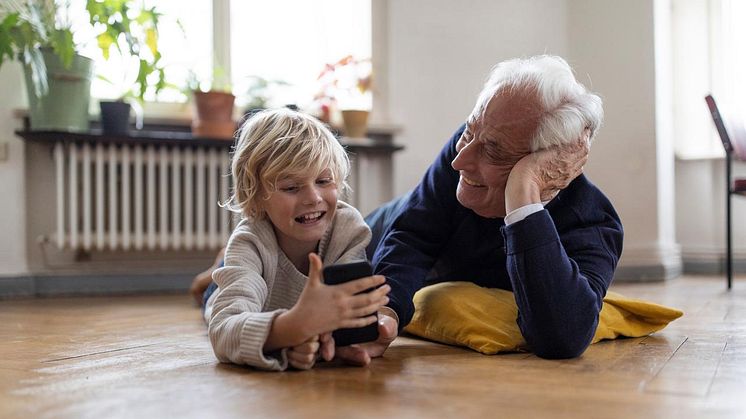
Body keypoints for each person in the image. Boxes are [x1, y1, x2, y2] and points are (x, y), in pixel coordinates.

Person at [356, 54, 624, 361]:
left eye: (495, 152)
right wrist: (386, 310)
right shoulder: (468, 145)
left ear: (546, 162)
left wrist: (524, 200)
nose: (460, 161)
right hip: (370, 234)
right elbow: (413, 236)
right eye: (469, 132)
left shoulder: (592, 223)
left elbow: (562, 338)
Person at [205, 108, 390, 371]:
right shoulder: (251, 242)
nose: (314, 197)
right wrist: (293, 328)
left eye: (324, 181)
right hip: (239, 285)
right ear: (256, 196)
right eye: (291, 187)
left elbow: (343, 319)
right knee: (212, 294)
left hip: (270, 302)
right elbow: (224, 330)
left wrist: (321, 344)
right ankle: (214, 273)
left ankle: (220, 264)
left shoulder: (348, 230)